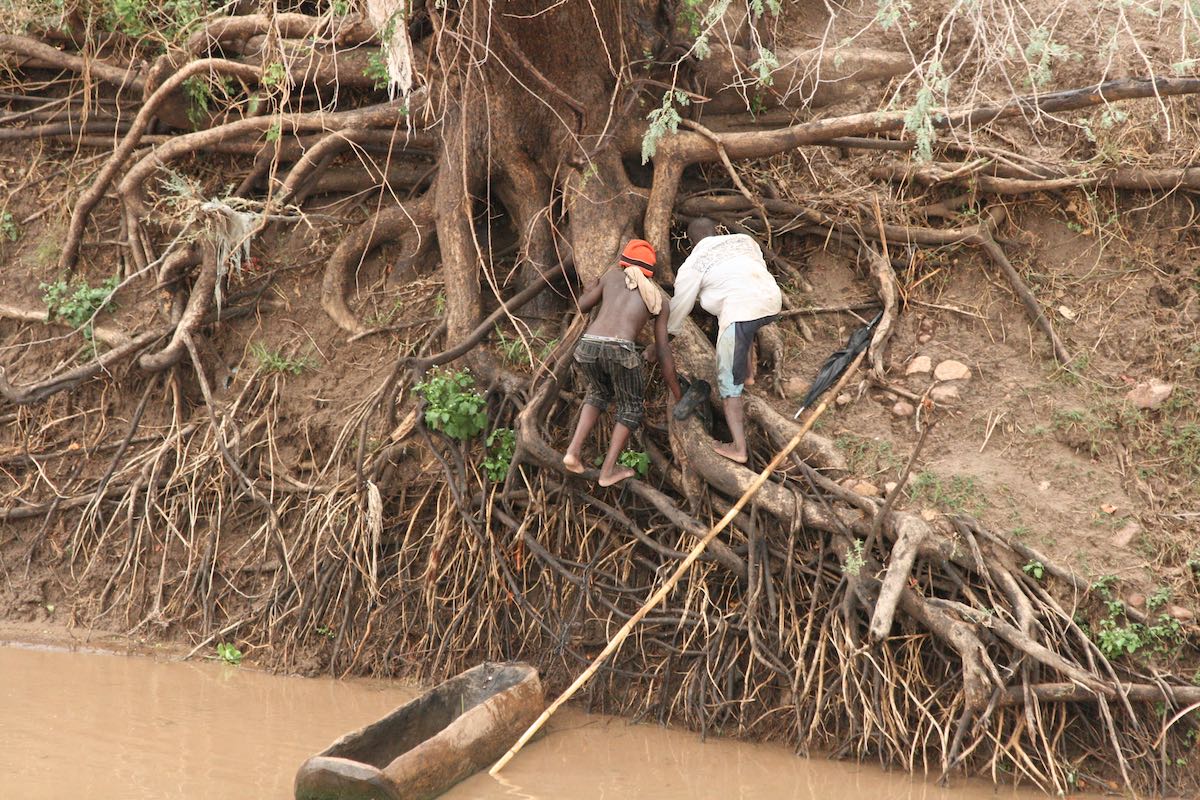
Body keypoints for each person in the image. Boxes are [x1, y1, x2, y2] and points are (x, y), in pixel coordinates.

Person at [563, 239, 682, 486]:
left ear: (623, 262)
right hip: (620, 349)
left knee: (597, 393)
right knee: (631, 408)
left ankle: (573, 453)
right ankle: (608, 471)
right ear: (651, 271)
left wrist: (590, 288)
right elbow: (662, 350)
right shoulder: (659, 301)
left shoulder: (610, 277)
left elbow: (582, 306)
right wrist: (676, 392)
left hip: (588, 345)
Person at [667, 218, 781, 464]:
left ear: (690, 242)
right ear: (717, 231)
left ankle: (738, 448)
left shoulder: (693, 264)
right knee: (745, 330)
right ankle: (748, 375)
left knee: (727, 385)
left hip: (739, 312)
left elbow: (680, 306)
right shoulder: (743, 240)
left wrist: (666, 336)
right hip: (771, 302)